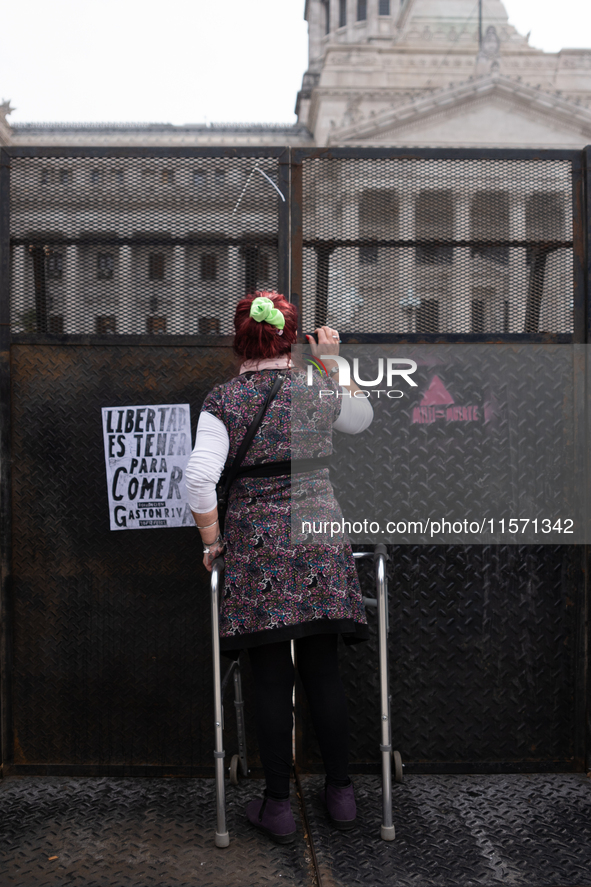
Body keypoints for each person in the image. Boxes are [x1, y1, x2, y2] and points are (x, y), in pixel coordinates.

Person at [185, 291, 373, 844]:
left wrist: (212, 542)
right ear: (291, 340)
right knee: (323, 671)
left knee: (269, 678)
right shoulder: (314, 386)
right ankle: (340, 795)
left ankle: (277, 807)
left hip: (259, 547)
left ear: (239, 340)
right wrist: (333, 361)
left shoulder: (223, 400)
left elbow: (199, 480)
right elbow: (361, 421)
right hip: (319, 539)